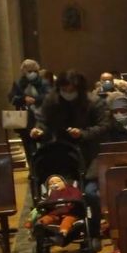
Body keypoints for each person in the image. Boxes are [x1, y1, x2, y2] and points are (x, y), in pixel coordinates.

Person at [30, 69, 109, 243]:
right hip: (61, 154)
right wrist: (38, 130)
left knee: (90, 193)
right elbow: (43, 121)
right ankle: (56, 228)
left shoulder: (93, 102)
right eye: (64, 90)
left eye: (71, 90)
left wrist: (82, 133)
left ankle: (93, 231)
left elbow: (103, 127)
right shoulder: (52, 100)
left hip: (89, 154)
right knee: (57, 193)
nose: (67, 93)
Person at [8, 58, 50, 158]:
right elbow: (11, 98)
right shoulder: (18, 83)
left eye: (34, 71)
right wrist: (23, 99)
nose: (32, 73)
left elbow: (49, 97)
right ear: (24, 71)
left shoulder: (44, 83)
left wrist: (35, 100)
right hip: (25, 119)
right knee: (28, 147)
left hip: (41, 118)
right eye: (29, 71)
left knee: (44, 146)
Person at [34, 175, 84, 246]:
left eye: (58, 181)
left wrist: (72, 201)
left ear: (64, 182)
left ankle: (62, 234)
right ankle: (39, 225)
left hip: (70, 212)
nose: (54, 184)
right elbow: (44, 202)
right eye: (51, 183)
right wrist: (45, 204)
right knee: (47, 218)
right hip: (55, 214)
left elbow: (77, 196)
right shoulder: (49, 193)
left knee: (67, 221)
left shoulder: (71, 189)